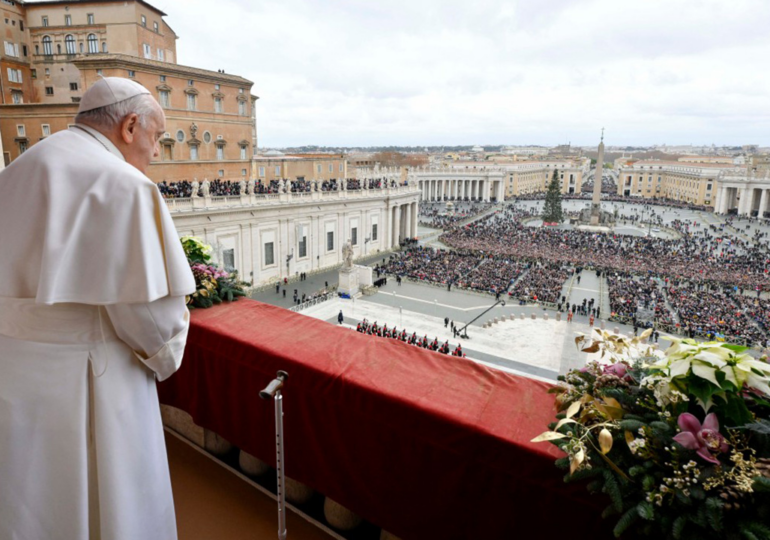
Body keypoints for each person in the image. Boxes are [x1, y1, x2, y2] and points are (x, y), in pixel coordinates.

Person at [0, 78, 195, 539]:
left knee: (30, 496)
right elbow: (148, 317)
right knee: (103, 502)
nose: (157, 151)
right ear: (130, 126)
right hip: (91, 377)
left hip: (12, 367)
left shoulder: (18, 169)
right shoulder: (122, 183)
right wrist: (170, 351)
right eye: (158, 136)